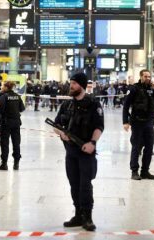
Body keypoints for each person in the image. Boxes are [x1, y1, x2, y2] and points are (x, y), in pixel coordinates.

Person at [53, 73, 104, 231]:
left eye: (74, 83)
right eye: (71, 83)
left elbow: (99, 126)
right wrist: (61, 134)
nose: (71, 86)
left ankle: (87, 217)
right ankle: (78, 214)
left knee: (85, 185)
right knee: (74, 184)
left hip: (86, 152)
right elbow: (56, 124)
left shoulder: (93, 104)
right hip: (71, 152)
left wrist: (93, 143)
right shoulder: (67, 105)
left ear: (81, 85)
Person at [123, 69, 154, 180]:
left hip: (149, 122)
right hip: (137, 122)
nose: (148, 78)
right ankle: (134, 171)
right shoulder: (134, 88)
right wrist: (125, 121)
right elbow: (126, 105)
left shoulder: (151, 89)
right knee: (136, 147)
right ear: (140, 76)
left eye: (149, 76)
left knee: (149, 148)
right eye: (145, 76)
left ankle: (145, 171)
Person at [0, 81, 25, 171]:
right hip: (16, 122)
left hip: (6, 122)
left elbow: (0, 109)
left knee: (4, 143)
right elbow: (22, 108)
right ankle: (16, 163)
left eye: (2, 86)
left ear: (6, 87)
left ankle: (4, 164)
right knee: (16, 142)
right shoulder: (17, 96)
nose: (1, 87)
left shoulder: (4, 96)